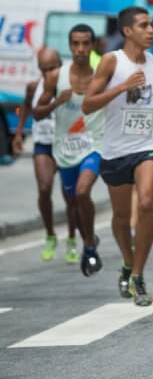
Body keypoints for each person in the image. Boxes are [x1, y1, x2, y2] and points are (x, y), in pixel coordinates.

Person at [83, 6, 153, 306]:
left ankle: (138, 275)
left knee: (146, 202)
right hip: (116, 148)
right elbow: (88, 105)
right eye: (144, 26)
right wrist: (122, 86)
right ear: (127, 31)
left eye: (151, 26)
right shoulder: (111, 61)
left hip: (151, 142)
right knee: (121, 218)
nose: (151, 31)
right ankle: (128, 261)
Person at [33, 25, 104, 275]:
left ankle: (89, 246)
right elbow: (36, 114)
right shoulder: (55, 77)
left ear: (93, 45)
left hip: (94, 146)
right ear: (70, 46)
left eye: (86, 43)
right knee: (73, 202)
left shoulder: (101, 75)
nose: (81, 49)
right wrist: (55, 102)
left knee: (83, 192)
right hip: (64, 151)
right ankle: (88, 239)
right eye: (76, 44)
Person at [16, 48, 78, 262]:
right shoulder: (34, 86)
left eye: (52, 68)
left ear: (61, 65)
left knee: (71, 196)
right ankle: (50, 235)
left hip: (68, 145)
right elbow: (25, 107)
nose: (47, 73)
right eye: (43, 69)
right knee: (44, 188)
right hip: (43, 143)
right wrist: (18, 134)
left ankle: (71, 238)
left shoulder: (71, 84)